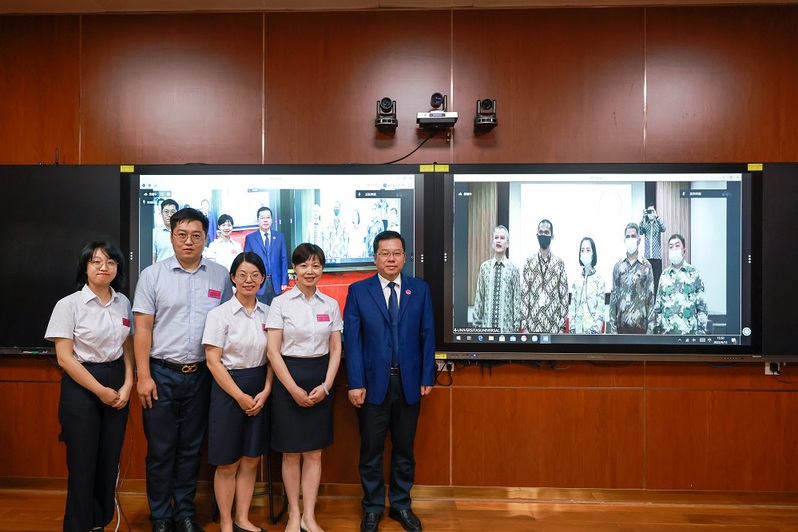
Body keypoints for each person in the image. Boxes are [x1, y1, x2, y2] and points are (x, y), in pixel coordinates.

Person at [134, 207, 233, 532]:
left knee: (191, 448)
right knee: (161, 450)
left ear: (206, 238)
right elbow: (143, 329)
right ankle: (161, 516)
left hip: (203, 375)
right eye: (182, 234)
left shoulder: (219, 275)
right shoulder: (153, 275)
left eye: (196, 235)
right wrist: (143, 375)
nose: (188, 241)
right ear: (172, 235)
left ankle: (185, 513)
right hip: (161, 374)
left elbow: (228, 322)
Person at [344, 230, 436, 532]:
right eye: (385, 253)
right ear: (375, 257)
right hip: (371, 385)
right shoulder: (359, 291)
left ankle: (400, 505)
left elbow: (427, 335)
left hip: (408, 383)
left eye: (396, 253)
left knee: (405, 449)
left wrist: (426, 376)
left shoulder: (419, 290)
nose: (391, 258)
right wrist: (355, 383)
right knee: (371, 450)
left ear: (405, 257)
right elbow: (353, 342)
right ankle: (372, 507)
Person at [44, 241, 134, 532]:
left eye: (110, 262)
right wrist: (100, 390)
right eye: (96, 262)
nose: (103, 268)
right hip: (82, 387)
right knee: (82, 466)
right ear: (85, 267)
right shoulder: (68, 304)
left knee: (108, 465)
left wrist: (129, 382)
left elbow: (128, 346)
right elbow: (65, 358)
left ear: (117, 268)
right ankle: (78, 527)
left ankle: (100, 523)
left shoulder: (123, 302)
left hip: (117, 381)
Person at [265, 243, 342, 532]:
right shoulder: (281, 303)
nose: (310, 271)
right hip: (289, 377)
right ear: (294, 269)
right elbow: (273, 352)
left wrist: (326, 385)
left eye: (316, 265)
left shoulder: (330, 304)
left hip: (320, 378)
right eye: (304, 265)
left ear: (322, 269)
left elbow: (335, 349)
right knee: (290, 452)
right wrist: (293, 389)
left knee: (314, 453)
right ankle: (293, 515)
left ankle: (310, 516)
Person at [203, 252, 273, 532]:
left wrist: (267, 390)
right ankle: (225, 523)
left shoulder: (270, 313)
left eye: (255, 275)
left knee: (251, 457)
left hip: (260, 388)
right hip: (227, 389)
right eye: (242, 274)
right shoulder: (219, 315)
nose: (249, 280)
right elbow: (212, 361)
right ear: (232, 277)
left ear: (263, 279)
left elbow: (273, 356)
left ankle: (243, 518)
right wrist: (239, 396)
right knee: (227, 461)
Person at [519, 219, 569, 333]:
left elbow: (564, 297)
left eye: (546, 232)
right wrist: (525, 327)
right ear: (537, 235)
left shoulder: (559, 263)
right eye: (540, 232)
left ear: (552, 236)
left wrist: (562, 328)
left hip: (554, 328)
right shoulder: (529, 262)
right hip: (532, 328)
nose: (543, 235)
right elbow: (525, 295)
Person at [653, 234, 708, 334]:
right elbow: (658, 308)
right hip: (666, 336)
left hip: (689, 336)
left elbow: (702, 308)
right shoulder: (664, 275)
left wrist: (701, 334)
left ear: (684, 250)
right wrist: (657, 332)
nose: (674, 249)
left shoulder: (695, 274)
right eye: (671, 247)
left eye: (677, 245)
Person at [607, 223, 655, 334]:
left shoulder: (646, 266)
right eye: (628, 236)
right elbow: (613, 300)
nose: (630, 239)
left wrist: (650, 331)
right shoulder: (618, 266)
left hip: (641, 329)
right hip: (621, 329)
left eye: (633, 236)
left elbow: (651, 300)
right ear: (624, 240)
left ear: (639, 240)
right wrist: (613, 331)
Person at [472, 225, 520, 332]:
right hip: (486, 331)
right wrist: (477, 326)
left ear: (507, 243)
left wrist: (516, 328)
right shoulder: (484, 267)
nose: (499, 241)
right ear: (492, 242)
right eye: (496, 237)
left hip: (507, 332)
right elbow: (479, 297)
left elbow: (516, 300)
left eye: (502, 238)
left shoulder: (514, 269)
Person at [244, 206, 288, 306]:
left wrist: (284, 281)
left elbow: (283, 259)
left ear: (272, 220)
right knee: (259, 314)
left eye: (268, 217)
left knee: (276, 313)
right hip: (257, 283)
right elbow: (247, 263)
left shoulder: (280, 237)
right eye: (262, 218)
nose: (265, 220)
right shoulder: (250, 238)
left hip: (276, 283)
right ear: (257, 220)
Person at [567, 237, 606, 334]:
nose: (585, 253)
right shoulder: (576, 281)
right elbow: (572, 307)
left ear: (593, 253)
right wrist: (572, 327)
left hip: (593, 334)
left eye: (588, 250)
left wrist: (595, 330)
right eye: (582, 250)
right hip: (577, 332)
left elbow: (600, 309)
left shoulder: (600, 281)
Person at [639, 205, 667, 292]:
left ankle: (656, 302)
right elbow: (640, 231)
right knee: (647, 281)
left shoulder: (657, 224)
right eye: (649, 212)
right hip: (647, 258)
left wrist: (657, 216)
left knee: (657, 281)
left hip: (657, 258)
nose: (650, 214)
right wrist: (643, 218)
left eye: (652, 211)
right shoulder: (646, 225)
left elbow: (664, 228)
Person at [153, 198, 178, 263]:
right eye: (166, 212)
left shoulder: (183, 232)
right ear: (161, 213)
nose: (169, 215)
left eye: (173, 212)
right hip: (161, 271)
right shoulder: (155, 233)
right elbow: (153, 259)